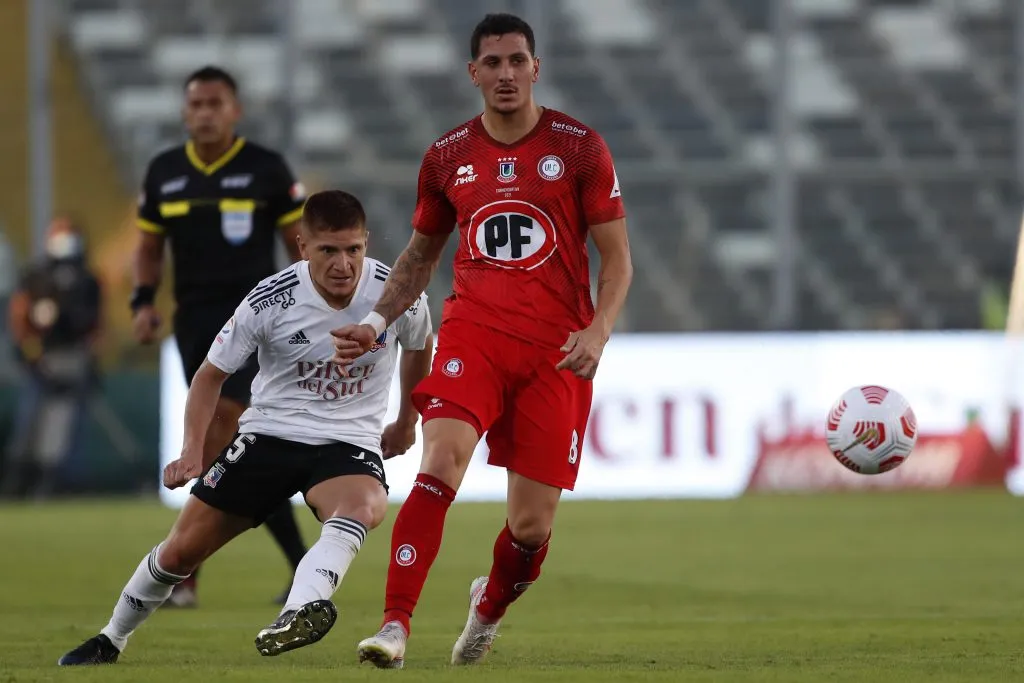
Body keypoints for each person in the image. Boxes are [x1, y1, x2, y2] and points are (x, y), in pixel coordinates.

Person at [332, 13, 633, 669]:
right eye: (492, 63)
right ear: (473, 73)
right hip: (475, 335)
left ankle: (488, 605)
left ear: (535, 68)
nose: (505, 73)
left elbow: (617, 261)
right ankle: (394, 625)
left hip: (556, 352)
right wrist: (377, 323)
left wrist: (598, 330)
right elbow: (417, 258)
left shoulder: (580, 149)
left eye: (516, 60)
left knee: (531, 529)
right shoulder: (447, 156)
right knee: (439, 464)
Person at [57, 190, 434, 666]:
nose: (344, 264)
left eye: (353, 249)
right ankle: (110, 639)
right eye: (328, 251)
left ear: (366, 243)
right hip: (269, 436)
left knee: (363, 505)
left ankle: (301, 609)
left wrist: (406, 420)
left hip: (347, 440)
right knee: (179, 554)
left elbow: (421, 346)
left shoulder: (395, 293)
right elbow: (209, 376)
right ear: (302, 247)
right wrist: (193, 450)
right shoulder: (269, 299)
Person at [131, 65, 310, 606]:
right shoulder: (165, 173)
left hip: (259, 317)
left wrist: (314, 303)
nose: (205, 113)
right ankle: (301, 564)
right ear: (185, 112)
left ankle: (182, 568)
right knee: (235, 446)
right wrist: (142, 301)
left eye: (215, 103)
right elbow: (148, 248)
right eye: (197, 104)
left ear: (235, 110)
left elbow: (298, 243)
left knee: (227, 426)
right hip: (195, 320)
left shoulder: (266, 170)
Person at [3, 217, 102, 498]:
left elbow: (95, 325)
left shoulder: (87, 279)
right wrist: (30, 352)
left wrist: (90, 358)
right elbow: (19, 315)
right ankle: (18, 481)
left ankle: (49, 485)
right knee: (29, 425)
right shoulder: (37, 275)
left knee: (60, 429)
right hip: (41, 357)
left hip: (71, 358)